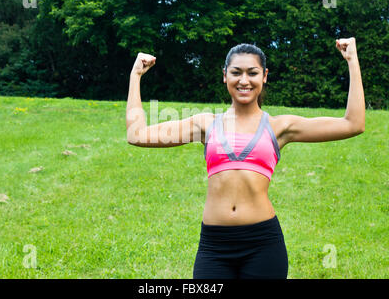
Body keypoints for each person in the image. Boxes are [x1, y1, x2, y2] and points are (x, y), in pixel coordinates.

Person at [126, 38, 365, 279]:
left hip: (263, 244)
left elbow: (353, 124)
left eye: (252, 73)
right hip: (214, 246)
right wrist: (136, 76)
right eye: (236, 72)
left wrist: (352, 61)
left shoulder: (280, 126)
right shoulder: (205, 124)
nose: (243, 80)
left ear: (264, 76)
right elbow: (137, 135)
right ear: (225, 75)